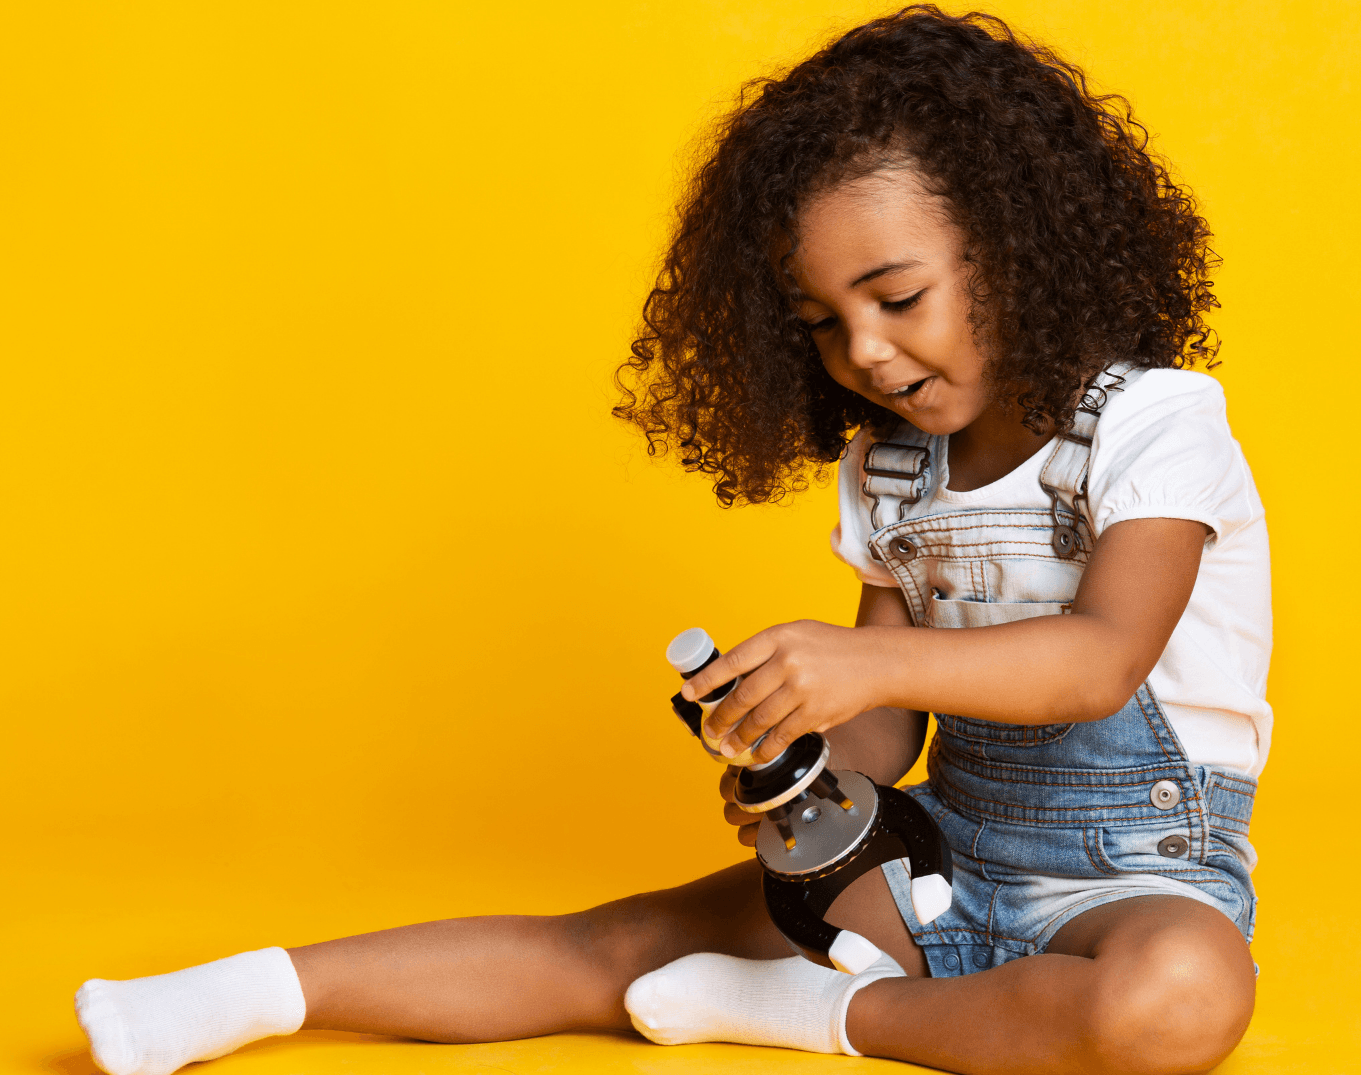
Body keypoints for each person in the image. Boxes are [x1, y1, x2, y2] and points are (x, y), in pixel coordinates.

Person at [73, 7, 1270, 1074]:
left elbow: (1099, 659)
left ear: (1015, 248)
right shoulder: (892, 469)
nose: (861, 351)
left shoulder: (1151, 423)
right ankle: (247, 994)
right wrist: (791, 748)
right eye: (820, 322)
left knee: (1181, 997)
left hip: (1137, 884)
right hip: (939, 866)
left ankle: (819, 1015)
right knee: (617, 940)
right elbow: (884, 734)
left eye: (895, 297)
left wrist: (861, 662)